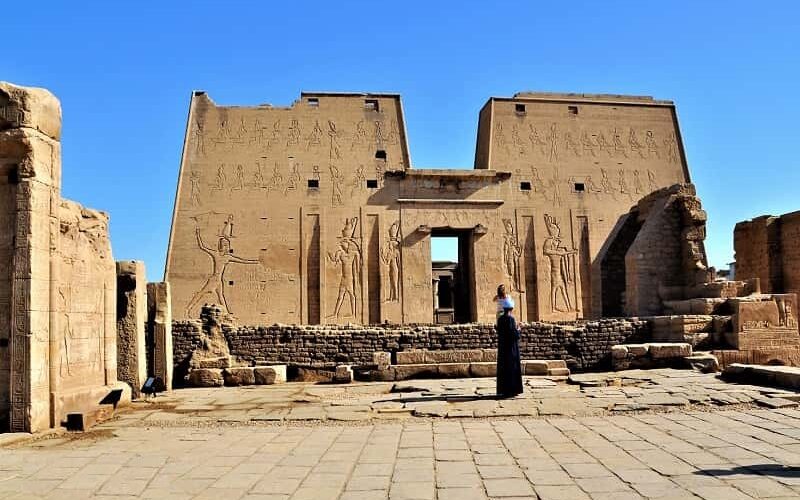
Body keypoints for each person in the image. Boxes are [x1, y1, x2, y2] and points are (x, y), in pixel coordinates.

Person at [496, 296, 523, 398]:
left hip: (503, 348)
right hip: (511, 348)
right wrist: (518, 329)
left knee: (504, 368)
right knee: (512, 367)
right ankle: (512, 390)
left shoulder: (500, 319)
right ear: (511, 309)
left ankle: (504, 390)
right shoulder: (511, 319)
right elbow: (514, 334)